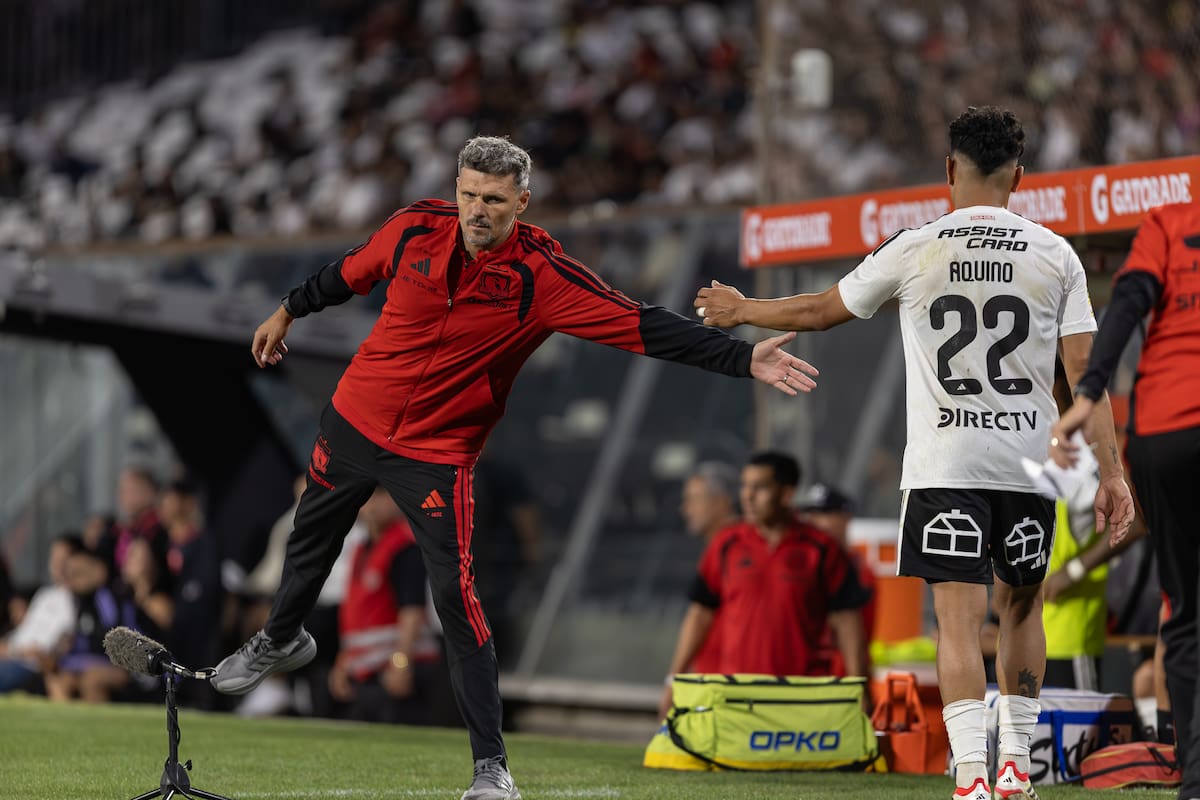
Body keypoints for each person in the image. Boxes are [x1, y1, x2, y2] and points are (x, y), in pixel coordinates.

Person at [210, 135, 818, 800]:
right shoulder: (414, 228)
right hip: (354, 419)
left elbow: (640, 325)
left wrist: (742, 358)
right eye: (469, 193)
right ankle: (279, 638)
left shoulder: (542, 276)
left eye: (494, 200)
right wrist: (288, 309)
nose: (477, 209)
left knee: (457, 603)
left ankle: (491, 770)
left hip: (438, 455)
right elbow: (347, 272)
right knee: (309, 539)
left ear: (521, 203)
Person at [696, 106, 1135, 800]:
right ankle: (1017, 763)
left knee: (957, 619)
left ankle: (969, 773)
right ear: (1019, 175)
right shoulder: (1056, 254)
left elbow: (818, 310)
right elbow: (1088, 376)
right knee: (1023, 608)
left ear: (950, 172)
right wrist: (1112, 473)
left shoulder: (917, 245)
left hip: (946, 465)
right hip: (1026, 465)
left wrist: (743, 307)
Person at [1050, 200, 1200, 797]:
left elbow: (1128, 303)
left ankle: (1195, 782)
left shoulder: (1169, 223)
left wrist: (1088, 393)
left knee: (1185, 617)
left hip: (1164, 431)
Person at [657, 452, 869, 719]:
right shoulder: (725, 544)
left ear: (786, 494)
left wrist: (859, 687)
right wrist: (672, 680)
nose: (748, 496)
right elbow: (699, 614)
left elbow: (848, 622)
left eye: (760, 487)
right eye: (745, 486)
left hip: (799, 698)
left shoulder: (821, 548)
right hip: (734, 696)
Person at [328, 486, 448, 724]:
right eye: (367, 495)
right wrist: (343, 663)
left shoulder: (405, 546)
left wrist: (401, 663)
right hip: (367, 673)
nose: (373, 504)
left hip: (396, 670)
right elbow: (356, 617)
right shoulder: (361, 549)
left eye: (382, 495)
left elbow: (412, 609)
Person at [797, 483, 877, 677]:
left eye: (823, 513)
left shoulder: (859, 571)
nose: (813, 521)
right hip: (804, 674)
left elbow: (856, 631)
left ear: (845, 518)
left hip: (841, 676)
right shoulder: (802, 567)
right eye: (810, 514)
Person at [676, 460, 739, 674]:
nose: (686, 509)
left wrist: (674, 677)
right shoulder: (720, 547)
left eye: (694, 500)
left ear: (721, 502)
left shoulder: (735, 546)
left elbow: (699, 616)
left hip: (725, 684)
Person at [0, 533, 83, 693]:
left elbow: (49, 650)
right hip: (13, 654)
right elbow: (20, 635)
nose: (57, 564)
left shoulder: (76, 601)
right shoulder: (44, 595)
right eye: (54, 557)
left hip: (29, 665)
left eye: (63, 558)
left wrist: (18, 652)